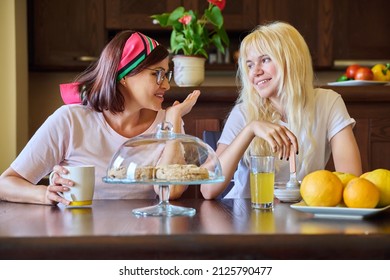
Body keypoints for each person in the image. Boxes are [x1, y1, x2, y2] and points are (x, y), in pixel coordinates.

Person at [0, 31, 200, 205]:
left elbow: (172, 191)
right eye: (157, 74)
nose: (166, 85)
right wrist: (45, 194)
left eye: (166, 75)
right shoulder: (70, 120)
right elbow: (6, 184)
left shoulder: (169, 123)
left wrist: (173, 119)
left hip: (142, 241)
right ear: (124, 75)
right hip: (78, 239)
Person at [201, 21, 362, 199]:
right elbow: (207, 190)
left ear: (292, 60)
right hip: (244, 216)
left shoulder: (328, 102)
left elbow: (351, 182)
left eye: (265, 60)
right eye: (249, 65)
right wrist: (251, 129)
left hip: (302, 218)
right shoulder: (243, 112)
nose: (255, 72)